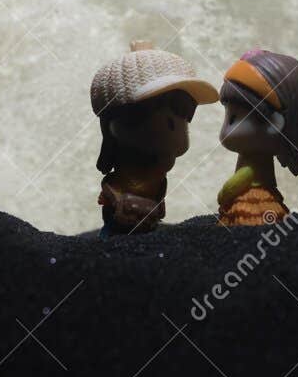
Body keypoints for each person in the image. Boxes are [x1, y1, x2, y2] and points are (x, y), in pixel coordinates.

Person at [91, 41, 218, 236]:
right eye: (148, 112)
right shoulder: (121, 177)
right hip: (118, 231)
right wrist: (121, 204)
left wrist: (157, 207)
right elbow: (111, 188)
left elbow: (159, 196)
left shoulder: (158, 176)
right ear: (113, 124)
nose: (174, 125)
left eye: (182, 112)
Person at [215, 49, 298, 227]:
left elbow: (235, 184)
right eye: (227, 115)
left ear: (274, 124)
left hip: (251, 203)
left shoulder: (250, 170)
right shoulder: (262, 167)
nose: (225, 127)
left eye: (233, 118)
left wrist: (223, 196)